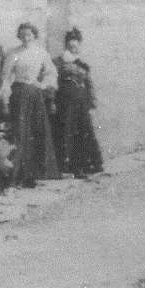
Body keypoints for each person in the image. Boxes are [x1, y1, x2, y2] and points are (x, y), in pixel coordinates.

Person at [0, 21, 59, 187]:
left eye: (29, 35)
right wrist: (4, 94)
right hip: (19, 95)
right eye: (23, 35)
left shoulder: (41, 53)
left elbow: (51, 72)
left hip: (35, 95)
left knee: (36, 133)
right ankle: (17, 175)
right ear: (19, 36)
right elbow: (6, 76)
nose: (26, 38)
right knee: (21, 134)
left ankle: (33, 175)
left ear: (34, 36)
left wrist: (43, 84)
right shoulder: (13, 53)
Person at [53, 27, 104, 178]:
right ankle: (70, 168)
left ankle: (88, 164)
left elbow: (89, 83)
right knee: (68, 133)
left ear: (79, 46)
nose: (73, 48)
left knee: (84, 132)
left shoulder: (83, 64)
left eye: (75, 46)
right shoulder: (59, 62)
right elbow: (53, 81)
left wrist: (92, 101)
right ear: (66, 46)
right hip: (65, 103)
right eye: (70, 46)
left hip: (81, 102)